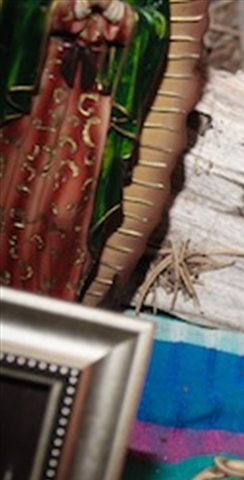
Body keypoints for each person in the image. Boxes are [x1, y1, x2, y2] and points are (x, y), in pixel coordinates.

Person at [0, 0, 170, 300]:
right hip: (37, 93)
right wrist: (70, 9)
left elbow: (155, 24)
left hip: (91, 110)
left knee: (68, 207)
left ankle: (46, 306)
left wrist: (121, 14)